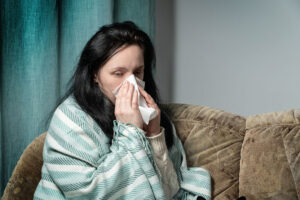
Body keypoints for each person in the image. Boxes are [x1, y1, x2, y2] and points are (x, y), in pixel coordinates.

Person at [34, 21, 211, 200]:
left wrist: (154, 136)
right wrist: (130, 130)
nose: (131, 83)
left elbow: (171, 192)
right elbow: (88, 194)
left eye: (137, 72)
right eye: (118, 73)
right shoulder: (69, 120)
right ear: (95, 74)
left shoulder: (152, 114)